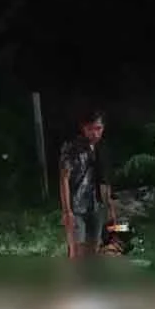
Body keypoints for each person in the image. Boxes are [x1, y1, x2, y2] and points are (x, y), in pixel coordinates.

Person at [59, 108, 117, 258]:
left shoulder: (101, 148)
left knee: (93, 251)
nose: (95, 133)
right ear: (83, 128)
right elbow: (64, 178)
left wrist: (111, 209)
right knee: (76, 252)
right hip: (76, 206)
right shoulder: (72, 148)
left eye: (98, 129)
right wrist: (67, 211)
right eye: (90, 129)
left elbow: (105, 180)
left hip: (96, 206)